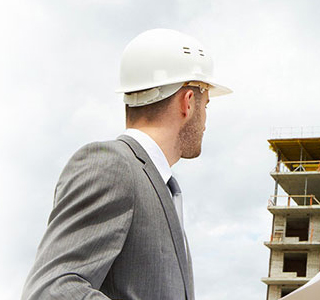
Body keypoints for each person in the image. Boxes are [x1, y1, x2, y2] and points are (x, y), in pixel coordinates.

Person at [21, 28, 231, 300]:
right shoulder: (112, 166)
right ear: (188, 103)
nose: (205, 121)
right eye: (207, 106)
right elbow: (51, 292)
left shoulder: (158, 185)